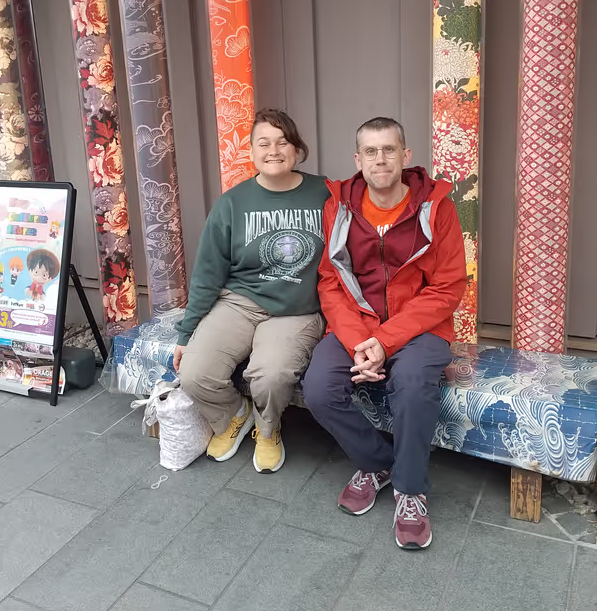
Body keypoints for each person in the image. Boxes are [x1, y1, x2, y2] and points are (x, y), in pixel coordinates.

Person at [302, 116, 466, 550]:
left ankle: (410, 491)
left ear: (406, 155)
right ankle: (377, 463)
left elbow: (449, 287)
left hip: (420, 328)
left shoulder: (437, 207)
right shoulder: (339, 207)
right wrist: (359, 341)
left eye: (389, 149)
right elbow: (330, 282)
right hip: (358, 323)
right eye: (371, 151)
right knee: (318, 387)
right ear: (358, 159)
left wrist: (386, 340)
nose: (381, 159)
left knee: (412, 385)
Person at [174, 109, 328, 473]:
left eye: (282, 141)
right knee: (194, 373)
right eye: (264, 143)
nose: (273, 150)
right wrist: (186, 332)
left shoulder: (326, 193)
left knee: (271, 374)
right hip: (241, 302)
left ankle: (269, 428)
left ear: (297, 148)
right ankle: (234, 414)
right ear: (252, 151)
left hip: (296, 309)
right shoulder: (232, 203)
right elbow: (208, 273)